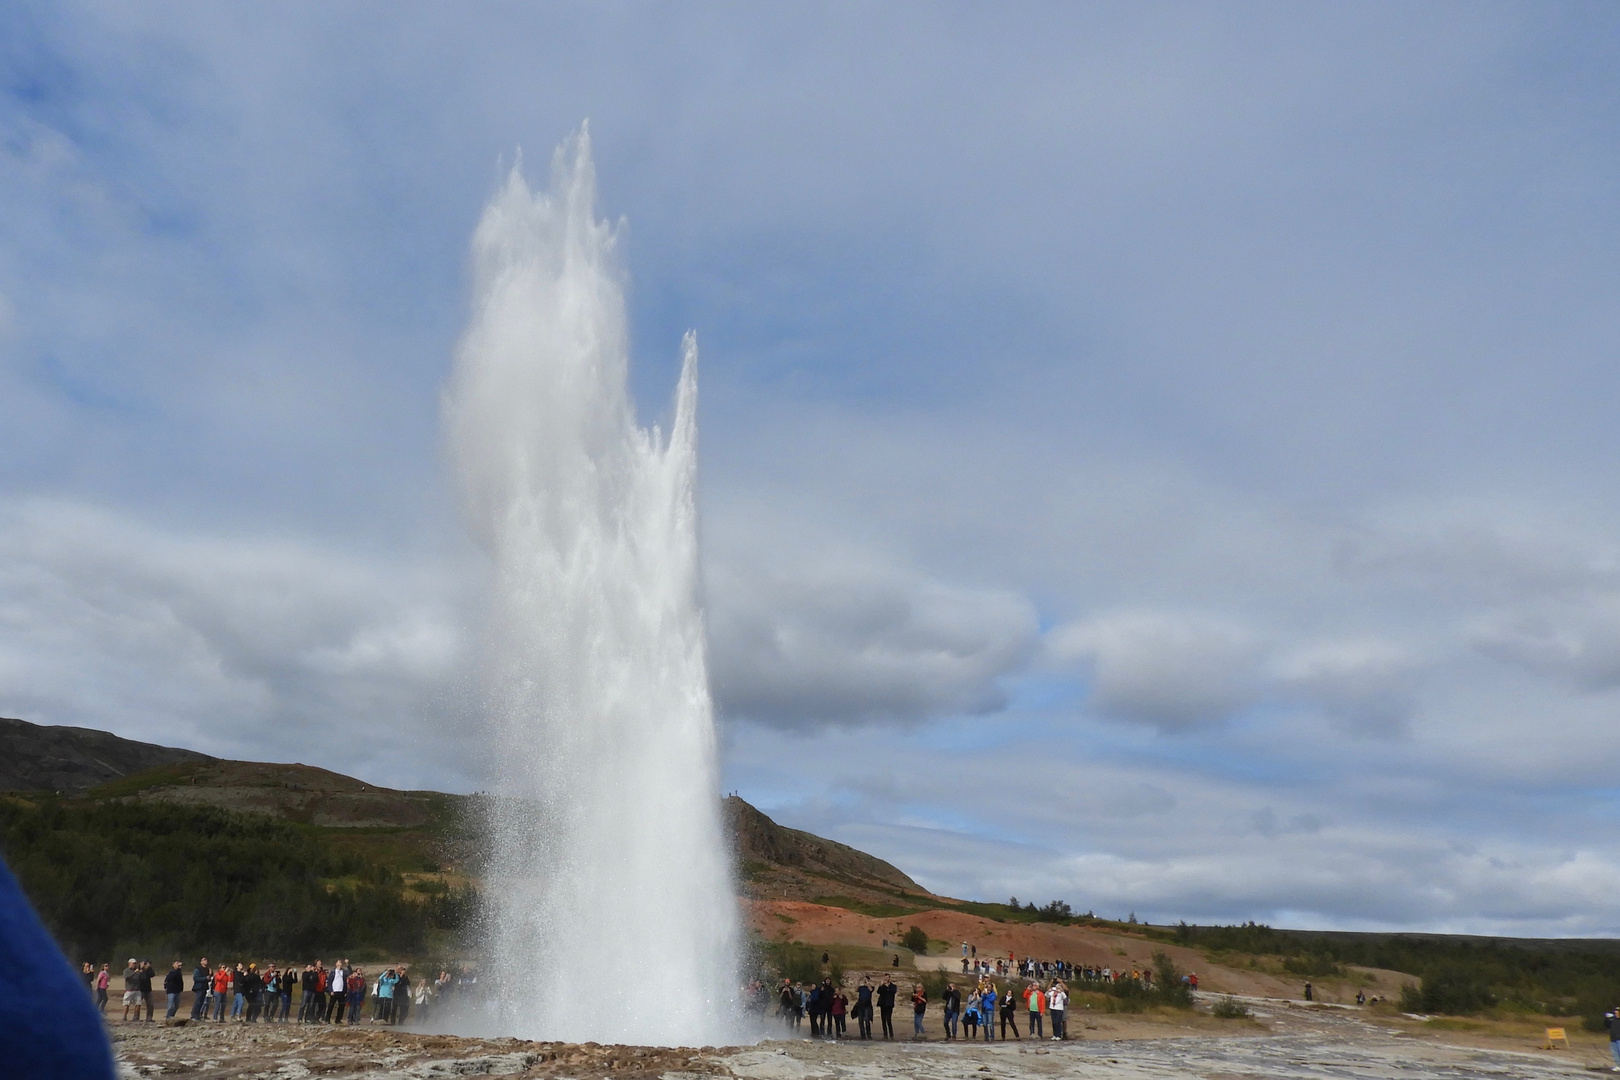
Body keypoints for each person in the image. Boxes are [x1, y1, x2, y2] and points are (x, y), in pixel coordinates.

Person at [876, 975, 897, 1039]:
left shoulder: (893, 986)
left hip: (889, 1005)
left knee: (888, 1019)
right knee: (883, 1020)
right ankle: (885, 1035)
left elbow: (893, 991)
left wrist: (887, 986)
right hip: (883, 1004)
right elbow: (878, 992)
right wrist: (881, 985)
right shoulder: (882, 986)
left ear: (889, 978)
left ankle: (891, 1034)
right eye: (885, 977)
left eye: (887, 977)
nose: (886, 979)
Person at [1605, 1006, 1620, 1071]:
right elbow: (1607, 1025)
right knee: (1615, 1053)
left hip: (1619, 1038)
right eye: (1615, 1013)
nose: (1616, 1014)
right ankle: (1618, 1065)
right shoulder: (1613, 1020)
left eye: (1617, 1012)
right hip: (1613, 1038)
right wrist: (1607, 1019)